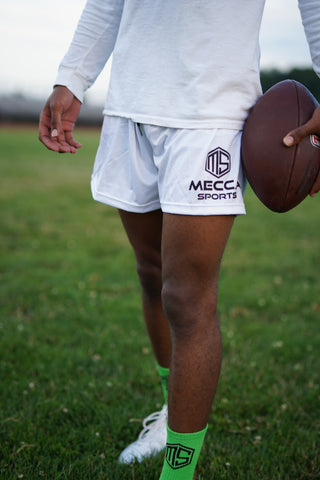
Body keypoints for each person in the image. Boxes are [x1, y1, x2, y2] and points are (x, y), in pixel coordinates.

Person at [39, 1, 320, 478]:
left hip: (212, 112)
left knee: (187, 296)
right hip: (133, 104)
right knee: (151, 272)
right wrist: (73, 74)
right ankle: (172, 418)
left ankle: (179, 470)